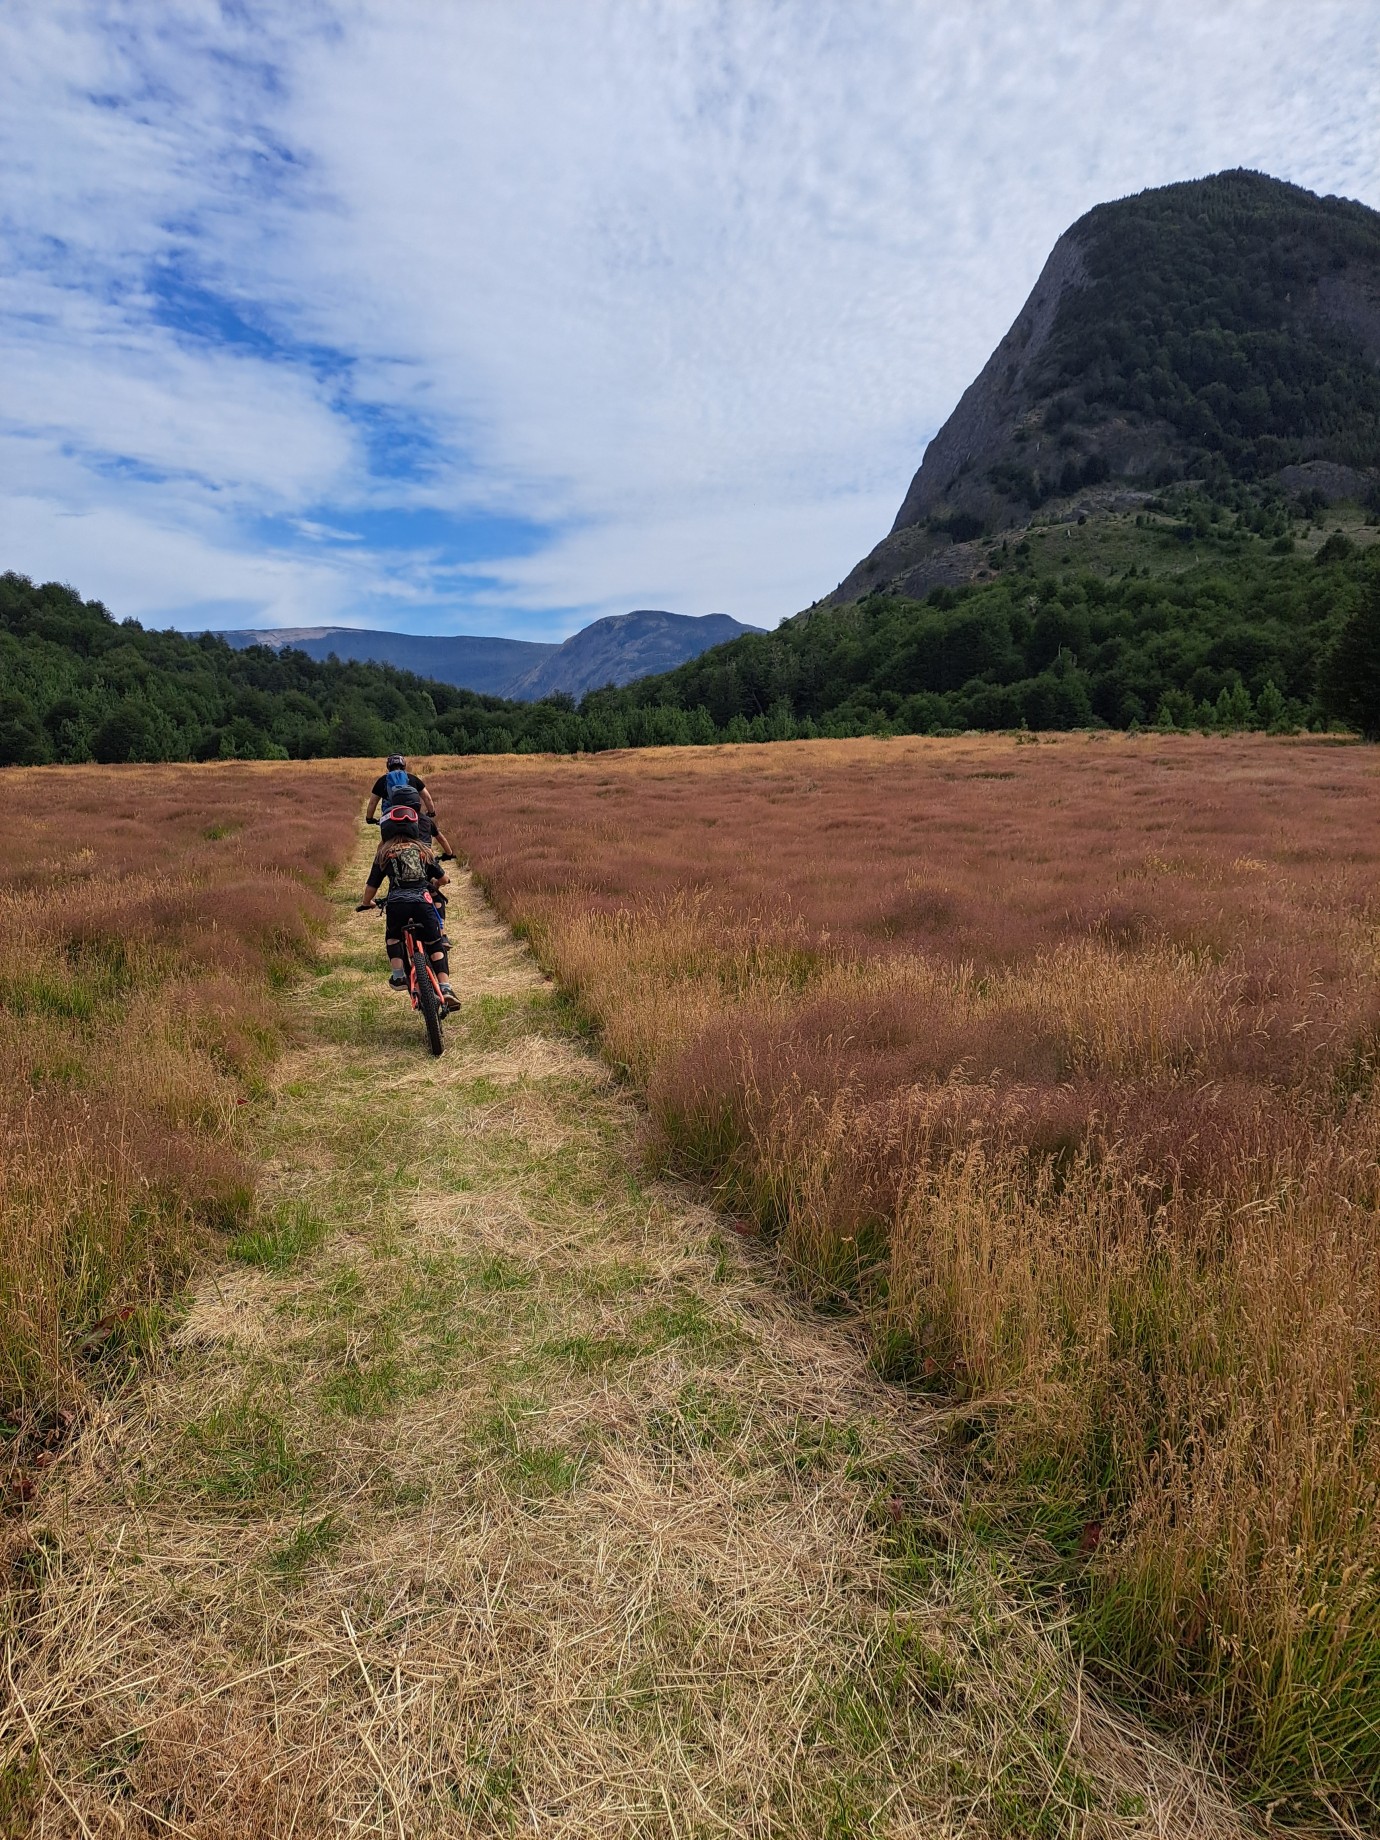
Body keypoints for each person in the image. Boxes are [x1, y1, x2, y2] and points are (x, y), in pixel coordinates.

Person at [355, 803, 460, 1013]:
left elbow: (371, 886)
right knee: (435, 944)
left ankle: (399, 975)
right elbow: (444, 878)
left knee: (393, 937)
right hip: (423, 902)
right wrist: (437, 885)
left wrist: (367, 904)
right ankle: (446, 987)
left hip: (397, 904)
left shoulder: (385, 853)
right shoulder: (424, 851)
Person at [365, 754, 436, 823]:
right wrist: (431, 812)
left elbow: (372, 802)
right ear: (404, 765)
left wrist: (369, 818)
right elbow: (427, 798)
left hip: (390, 816)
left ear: (388, 766)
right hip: (411, 816)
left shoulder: (382, 780)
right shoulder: (413, 778)